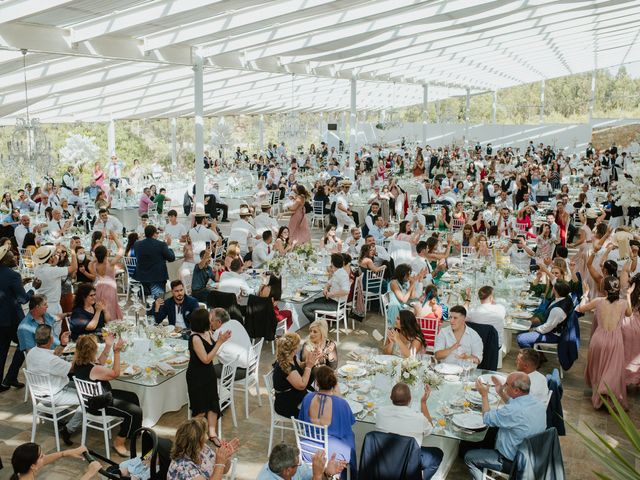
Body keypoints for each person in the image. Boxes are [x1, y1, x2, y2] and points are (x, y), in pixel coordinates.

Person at [464, 373, 546, 480]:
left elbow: (487, 418)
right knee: (491, 432)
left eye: (506, 384)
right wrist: (500, 392)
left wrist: (484, 395)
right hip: (533, 457)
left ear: (516, 390)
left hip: (512, 462)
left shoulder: (513, 411)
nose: (504, 385)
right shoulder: (538, 404)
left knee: (469, 457)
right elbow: (515, 405)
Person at [72, 334, 142, 456]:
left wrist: (108, 346)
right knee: (136, 412)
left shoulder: (79, 363)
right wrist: (117, 352)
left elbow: (99, 362)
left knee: (132, 396)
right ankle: (119, 442)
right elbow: (115, 373)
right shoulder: (95, 369)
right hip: (100, 404)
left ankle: (132, 432)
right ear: (92, 350)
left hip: (93, 399)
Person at [578, 276, 630, 409]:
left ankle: (599, 393)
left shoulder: (598, 301)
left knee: (598, 367)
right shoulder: (623, 303)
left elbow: (581, 308)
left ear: (605, 290)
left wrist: (585, 294)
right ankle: (606, 394)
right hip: (615, 341)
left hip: (599, 339)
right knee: (613, 370)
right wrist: (628, 295)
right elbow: (629, 314)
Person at [25, 324, 81, 445]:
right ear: (50, 339)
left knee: (79, 385)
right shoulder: (51, 361)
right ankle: (68, 429)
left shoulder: (32, 352)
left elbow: (54, 354)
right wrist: (79, 353)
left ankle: (63, 420)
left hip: (41, 393)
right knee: (87, 397)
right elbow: (71, 368)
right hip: (54, 396)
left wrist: (62, 344)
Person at [375, 382, 443, 480]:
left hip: (386, 457)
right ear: (410, 400)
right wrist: (423, 403)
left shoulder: (380, 413)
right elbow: (430, 428)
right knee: (437, 454)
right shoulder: (418, 418)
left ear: (390, 398)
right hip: (410, 461)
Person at [298, 366, 357, 478]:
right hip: (330, 452)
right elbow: (348, 425)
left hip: (307, 448)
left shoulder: (307, 398)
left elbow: (302, 420)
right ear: (334, 383)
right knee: (350, 439)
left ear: (317, 382)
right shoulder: (340, 403)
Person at [187, 308, 231, 444]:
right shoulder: (195, 338)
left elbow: (211, 352)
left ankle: (212, 434)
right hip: (197, 376)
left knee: (212, 405)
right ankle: (194, 438)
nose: (210, 320)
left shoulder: (207, 332)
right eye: (209, 318)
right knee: (200, 409)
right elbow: (206, 359)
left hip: (208, 374)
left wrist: (219, 339)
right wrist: (220, 342)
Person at [0, 245, 37, 391]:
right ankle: (10, 378)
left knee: (2, 350)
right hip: (13, 319)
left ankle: (4, 382)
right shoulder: (13, 275)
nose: (14, 257)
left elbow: (6, 290)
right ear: (4, 260)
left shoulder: (13, 276)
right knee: (24, 344)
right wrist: (33, 288)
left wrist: (21, 284)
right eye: (10, 255)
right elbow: (23, 299)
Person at [167, 418, 239, 480]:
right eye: (204, 434)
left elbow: (224, 470)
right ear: (195, 444)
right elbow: (219, 467)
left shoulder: (203, 449)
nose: (207, 437)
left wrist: (226, 456)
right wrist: (220, 462)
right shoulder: (183, 468)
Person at [272, 332, 320, 418]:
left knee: (321, 401)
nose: (299, 346)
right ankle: (315, 428)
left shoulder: (291, 357)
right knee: (319, 410)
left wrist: (308, 361)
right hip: (287, 403)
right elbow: (302, 385)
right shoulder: (286, 366)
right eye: (298, 344)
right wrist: (309, 366)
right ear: (294, 349)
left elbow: (300, 366)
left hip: (295, 395)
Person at [517, 280, 574, 348]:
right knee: (522, 326)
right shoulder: (565, 297)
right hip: (550, 327)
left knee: (521, 339)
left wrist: (535, 329)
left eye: (553, 287)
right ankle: (534, 352)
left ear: (555, 291)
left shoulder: (557, 310)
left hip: (553, 335)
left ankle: (532, 357)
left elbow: (547, 328)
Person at [9, 443, 102, 480]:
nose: (44, 456)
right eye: (41, 456)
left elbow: (44, 461)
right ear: (32, 466)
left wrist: (64, 453)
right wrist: (90, 473)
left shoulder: (20, 473)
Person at [302, 254, 351, 321]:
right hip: (332, 300)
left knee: (305, 308)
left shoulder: (342, 275)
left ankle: (319, 326)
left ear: (332, 263)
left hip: (336, 304)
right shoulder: (338, 272)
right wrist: (325, 288)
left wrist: (331, 294)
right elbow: (329, 283)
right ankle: (322, 321)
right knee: (315, 301)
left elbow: (346, 291)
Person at [32, 243, 78, 316]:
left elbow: (49, 270)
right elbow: (74, 267)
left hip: (41, 305)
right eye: (53, 255)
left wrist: (54, 265)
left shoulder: (37, 269)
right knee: (56, 327)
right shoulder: (54, 270)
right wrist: (73, 251)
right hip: (52, 307)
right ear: (50, 258)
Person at [257, 444, 347, 480]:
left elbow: (309, 477)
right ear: (287, 471)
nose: (300, 464)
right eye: (297, 464)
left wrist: (326, 473)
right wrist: (317, 476)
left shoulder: (290, 467)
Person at [134, 225, 175, 299]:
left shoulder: (137, 244)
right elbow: (171, 258)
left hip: (142, 276)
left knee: (149, 300)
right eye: (157, 233)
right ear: (154, 234)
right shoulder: (161, 244)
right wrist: (169, 247)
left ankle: (149, 309)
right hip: (157, 277)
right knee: (158, 300)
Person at [210, 307, 251, 378]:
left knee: (205, 369)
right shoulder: (235, 322)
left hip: (239, 370)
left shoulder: (219, 332)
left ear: (219, 322)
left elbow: (212, 353)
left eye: (212, 320)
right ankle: (224, 388)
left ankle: (219, 388)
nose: (210, 323)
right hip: (251, 365)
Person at [90, 238, 124, 320]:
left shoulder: (93, 264)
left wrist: (99, 241)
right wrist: (114, 236)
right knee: (110, 309)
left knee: (101, 309)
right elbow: (121, 249)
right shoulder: (111, 264)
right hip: (110, 289)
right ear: (106, 254)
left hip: (99, 289)